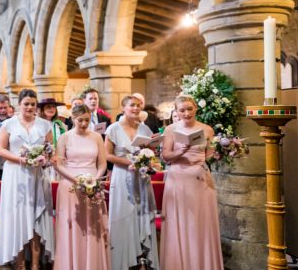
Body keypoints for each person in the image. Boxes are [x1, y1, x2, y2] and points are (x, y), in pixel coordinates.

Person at [159, 95, 223, 270]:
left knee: (200, 222)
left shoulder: (207, 130)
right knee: (179, 222)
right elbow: (166, 156)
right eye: (182, 110)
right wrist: (182, 151)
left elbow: (209, 155)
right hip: (178, 177)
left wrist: (220, 154)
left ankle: (202, 264)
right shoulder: (171, 130)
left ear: (195, 108)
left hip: (200, 177)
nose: (186, 113)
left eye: (189, 109)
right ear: (176, 112)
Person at [0, 89, 55, 270]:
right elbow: (0, 149)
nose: (30, 107)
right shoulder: (9, 124)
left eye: (33, 104)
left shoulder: (45, 125)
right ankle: (20, 262)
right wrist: (21, 159)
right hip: (15, 175)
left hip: (38, 176)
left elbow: (49, 149)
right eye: (26, 104)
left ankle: (36, 264)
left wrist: (46, 159)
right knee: (18, 217)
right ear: (19, 105)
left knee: (36, 217)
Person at [105, 95, 160, 270]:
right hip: (122, 176)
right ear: (123, 108)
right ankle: (122, 260)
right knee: (124, 215)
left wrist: (150, 155)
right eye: (132, 106)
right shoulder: (113, 129)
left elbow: (150, 153)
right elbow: (108, 155)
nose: (136, 108)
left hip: (141, 178)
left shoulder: (144, 129)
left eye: (138, 106)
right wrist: (131, 162)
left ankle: (141, 257)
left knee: (140, 215)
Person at [53, 104, 110, 270]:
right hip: (70, 186)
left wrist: (95, 180)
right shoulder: (65, 138)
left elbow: (102, 163)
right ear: (73, 119)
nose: (84, 124)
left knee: (92, 227)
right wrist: (78, 180)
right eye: (80, 120)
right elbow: (59, 165)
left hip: (93, 186)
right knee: (73, 227)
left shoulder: (97, 137)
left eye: (87, 120)